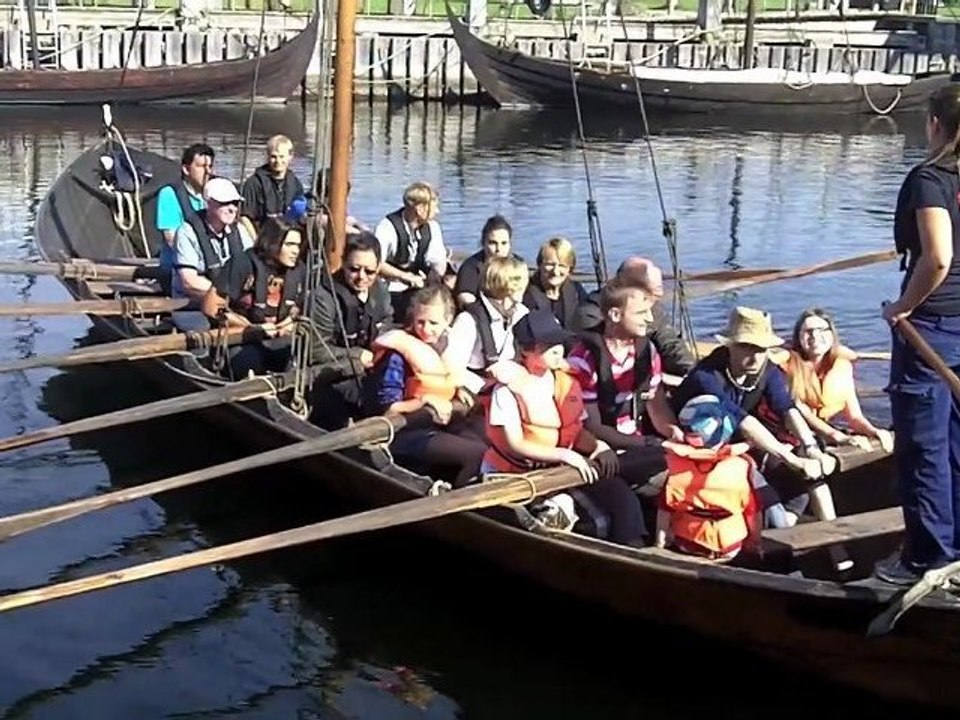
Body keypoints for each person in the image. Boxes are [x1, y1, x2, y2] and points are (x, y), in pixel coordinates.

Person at [876, 84, 960, 585]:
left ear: (934, 123)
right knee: (956, 442)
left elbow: (939, 257)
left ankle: (929, 557)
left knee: (924, 446)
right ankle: (952, 549)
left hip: (931, 326)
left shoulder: (931, 178)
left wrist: (900, 308)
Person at [481, 309, 646, 547]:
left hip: (560, 469)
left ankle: (635, 549)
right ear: (526, 350)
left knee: (621, 497)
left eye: (559, 342)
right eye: (548, 345)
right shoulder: (506, 391)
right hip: (516, 473)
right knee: (578, 516)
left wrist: (598, 447)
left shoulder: (566, 383)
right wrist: (566, 455)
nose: (558, 349)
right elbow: (516, 444)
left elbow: (575, 432)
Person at [670, 306, 838, 525]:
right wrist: (792, 460)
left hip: (742, 445)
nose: (756, 356)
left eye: (762, 349)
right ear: (730, 346)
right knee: (775, 510)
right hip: (698, 451)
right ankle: (775, 533)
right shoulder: (707, 376)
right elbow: (743, 421)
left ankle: (837, 549)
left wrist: (810, 447)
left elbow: (786, 407)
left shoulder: (767, 369)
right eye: (748, 347)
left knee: (812, 475)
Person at [367, 285, 486, 488]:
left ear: (448, 321)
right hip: (406, 433)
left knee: (490, 443)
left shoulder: (446, 347)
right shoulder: (398, 354)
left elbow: (443, 379)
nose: (426, 329)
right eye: (420, 322)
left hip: (441, 424)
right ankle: (457, 507)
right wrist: (422, 401)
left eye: (433, 323)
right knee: (477, 454)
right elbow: (388, 408)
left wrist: (457, 389)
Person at [656, 395, 763, 560]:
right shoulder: (741, 465)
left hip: (688, 543)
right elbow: (752, 511)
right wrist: (755, 542)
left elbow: (665, 510)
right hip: (730, 546)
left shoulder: (676, 465)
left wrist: (660, 542)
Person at [201, 218, 306, 377]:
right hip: (241, 338)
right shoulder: (242, 263)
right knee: (249, 362)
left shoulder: (299, 270)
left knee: (298, 358)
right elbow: (211, 307)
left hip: (277, 339)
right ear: (272, 242)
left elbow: (301, 306)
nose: (295, 251)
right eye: (289, 245)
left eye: (297, 245)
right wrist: (251, 327)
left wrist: (290, 321)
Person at [778, 308, 894, 453]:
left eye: (821, 330)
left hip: (824, 432)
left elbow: (854, 417)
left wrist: (873, 431)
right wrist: (838, 436)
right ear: (798, 337)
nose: (815, 335)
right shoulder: (786, 365)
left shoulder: (842, 366)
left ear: (832, 335)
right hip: (791, 436)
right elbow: (802, 412)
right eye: (808, 331)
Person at [573, 256, 695, 379]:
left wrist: (690, 371)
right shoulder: (590, 313)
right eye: (652, 289)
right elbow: (601, 353)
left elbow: (670, 343)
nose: (660, 294)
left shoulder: (653, 309)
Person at [171, 177, 255, 330]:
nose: (232, 209)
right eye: (225, 203)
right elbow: (189, 281)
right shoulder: (187, 232)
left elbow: (254, 266)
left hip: (233, 302)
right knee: (207, 334)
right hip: (191, 305)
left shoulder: (239, 231)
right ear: (208, 203)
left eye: (235, 203)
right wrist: (224, 293)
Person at [373, 181, 447, 322]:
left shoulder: (433, 228)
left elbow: (438, 261)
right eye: (435, 207)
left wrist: (435, 276)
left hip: (420, 286)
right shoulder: (387, 227)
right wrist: (405, 277)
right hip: (389, 289)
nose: (437, 211)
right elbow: (376, 263)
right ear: (420, 209)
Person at [155, 143, 214, 293]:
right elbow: (172, 240)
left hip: (211, 266)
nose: (207, 172)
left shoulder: (214, 195)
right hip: (178, 269)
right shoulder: (169, 194)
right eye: (201, 166)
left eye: (210, 167)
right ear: (186, 169)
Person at [239, 134, 305, 237]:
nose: (278, 161)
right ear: (268, 156)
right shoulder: (254, 183)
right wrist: (255, 242)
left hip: (286, 239)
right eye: (274, 157)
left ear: (290, 157)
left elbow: (299, 216)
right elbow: (245, 217)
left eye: (282, 157)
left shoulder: (296, 184)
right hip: (261, 239)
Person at [454, 214, 521, 308]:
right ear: (483, 243)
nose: (499, 249)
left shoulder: (518, 265)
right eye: (493, 243)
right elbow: (465, 298)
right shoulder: (471, 267)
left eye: (504, 243)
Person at [522, 237, 587, 330]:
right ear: (540, 265)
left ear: (570, 269)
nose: (555, 271)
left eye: (562, 266)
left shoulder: (576, 291)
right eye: (550, 264)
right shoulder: (526, 292)